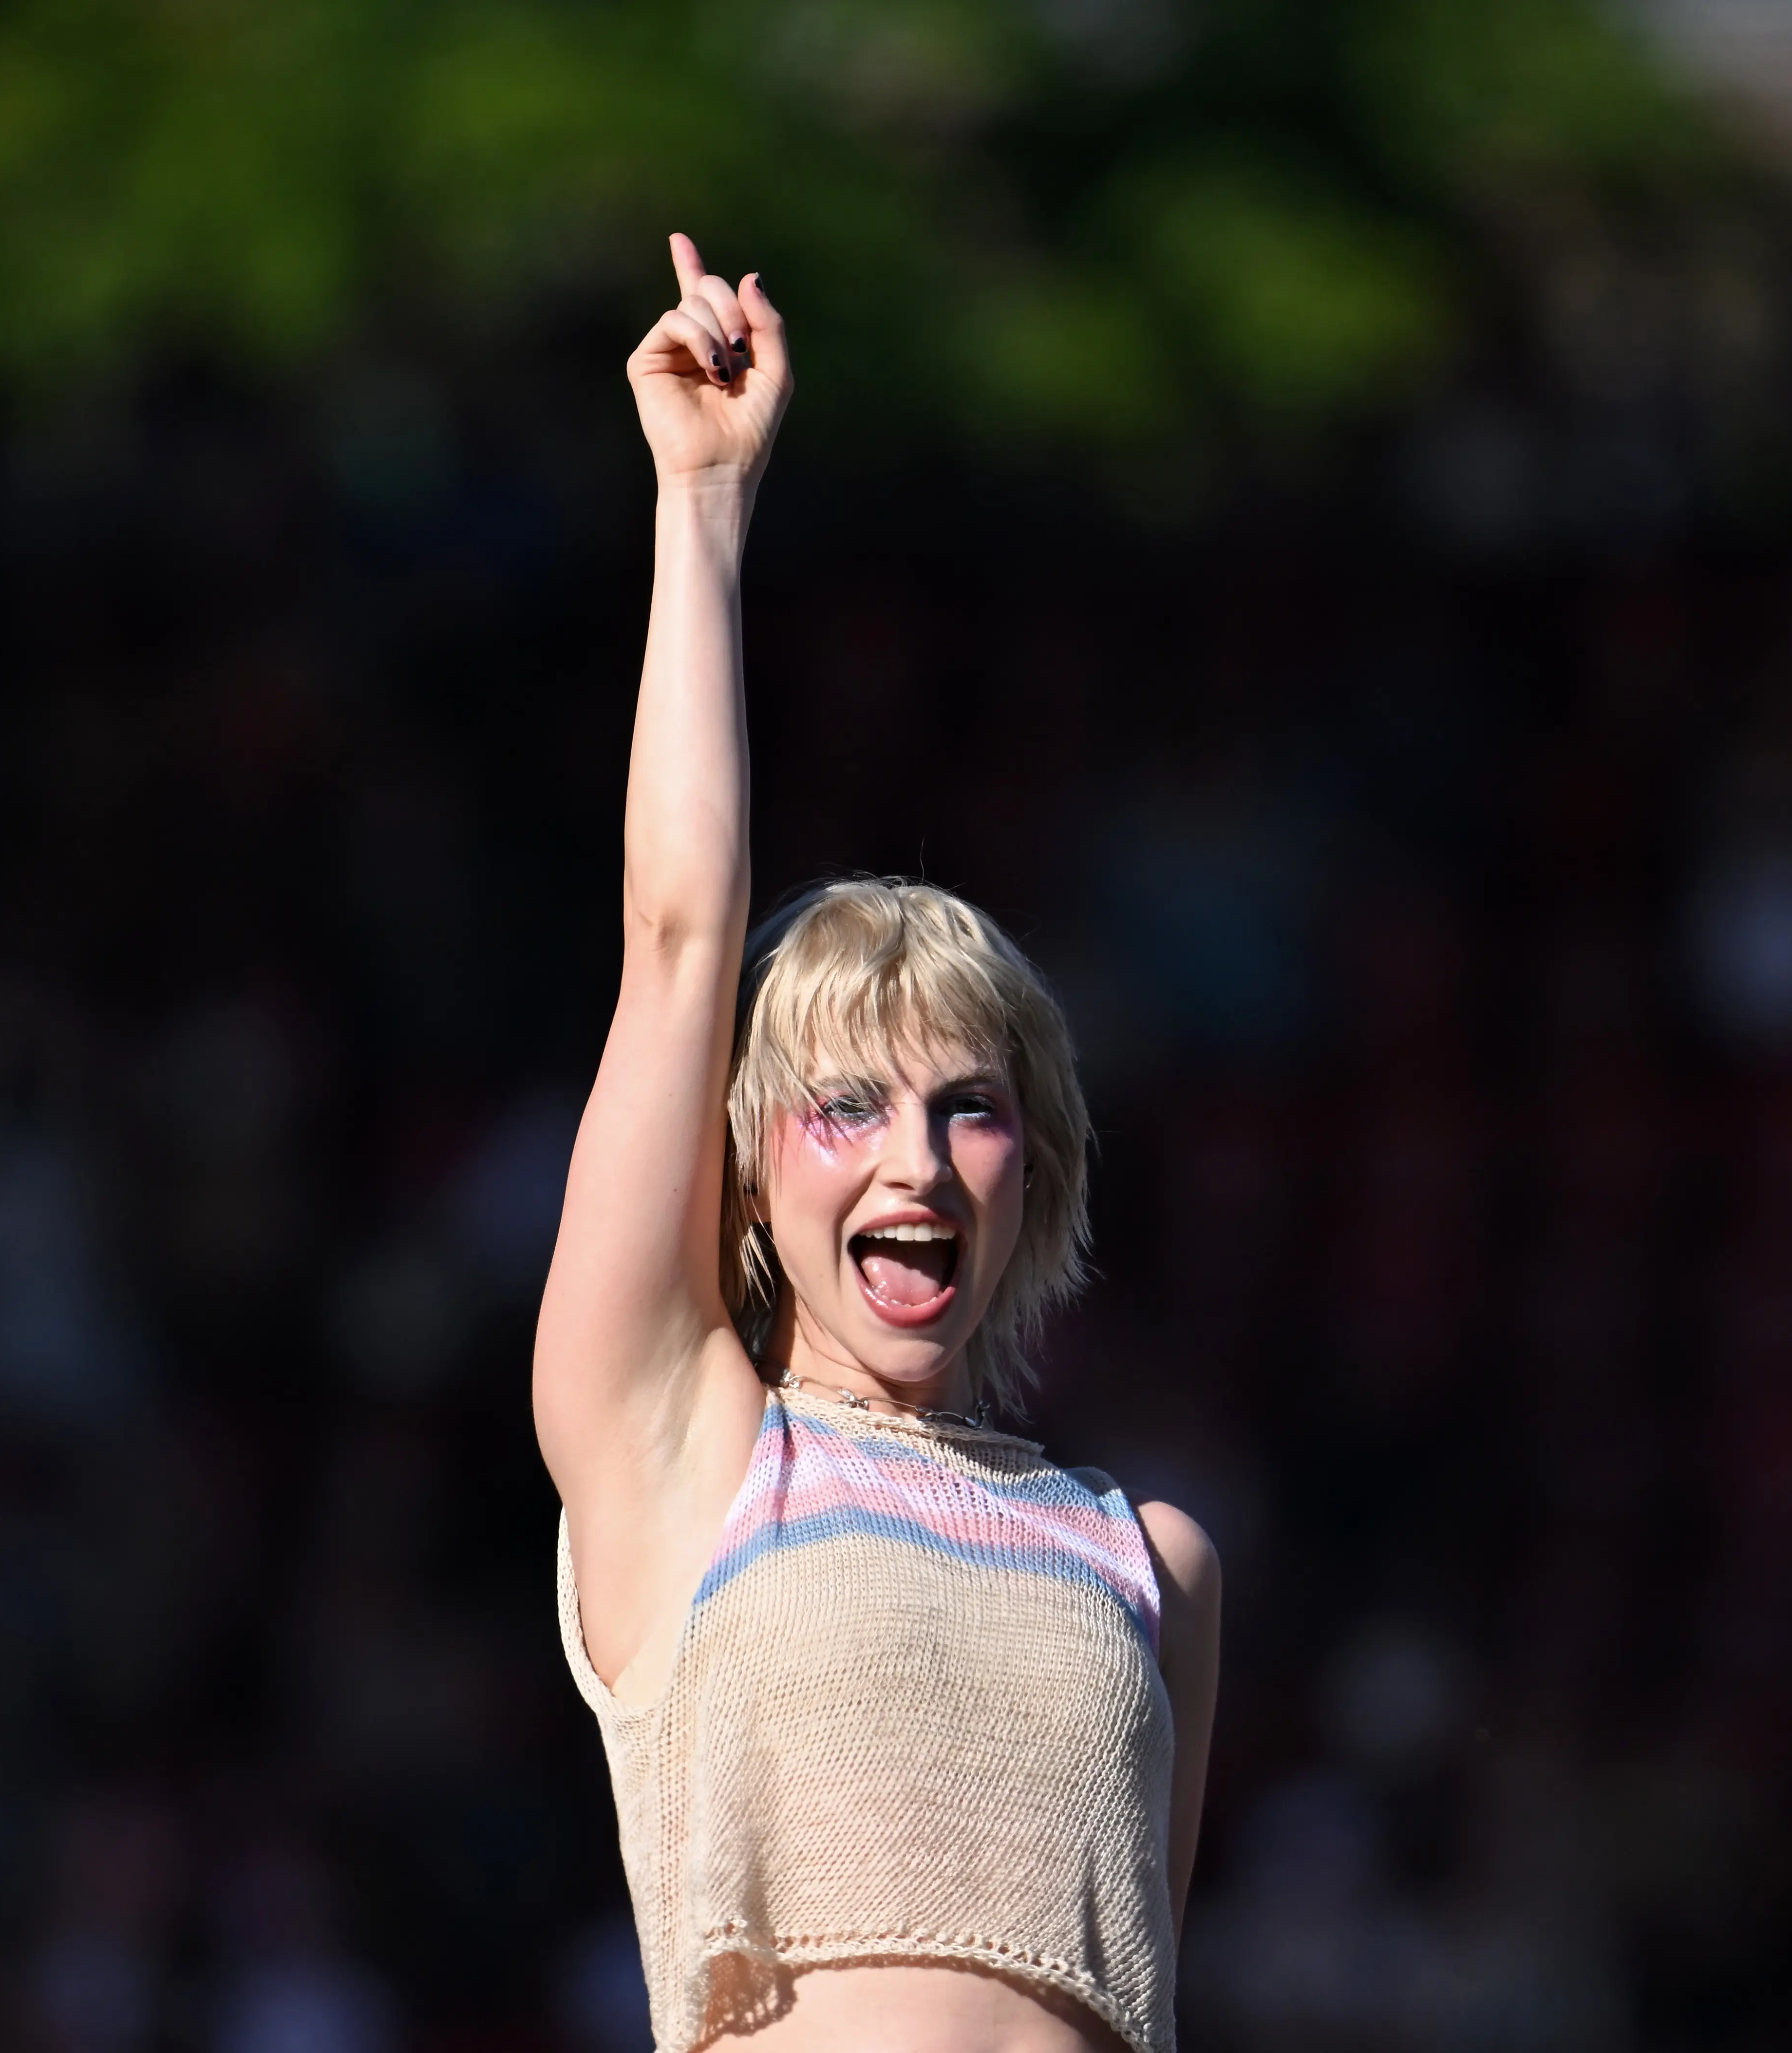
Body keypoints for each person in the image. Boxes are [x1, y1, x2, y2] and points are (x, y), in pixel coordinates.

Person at [532, 235, 1223, 2053]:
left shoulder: (1150, 1562)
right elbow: (683, 933)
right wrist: (704, 503)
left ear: (1038, 1170)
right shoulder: (688, 1454)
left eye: (970, 1103)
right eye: (846, 1105)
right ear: (753, 1165)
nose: (914, 1157)